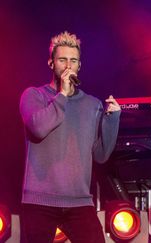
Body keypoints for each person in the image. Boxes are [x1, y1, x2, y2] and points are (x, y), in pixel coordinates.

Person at [19, 31, 121, 243]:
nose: (68, 66)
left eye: (73, 60)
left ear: (79, 66)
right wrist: (63, 96)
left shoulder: (92, 104)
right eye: (62, 60)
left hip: (79, 201)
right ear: (51, 63)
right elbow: (38, 128)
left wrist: (112, 119)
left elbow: (101, 155)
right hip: (39, 201)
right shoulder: (34, 96)